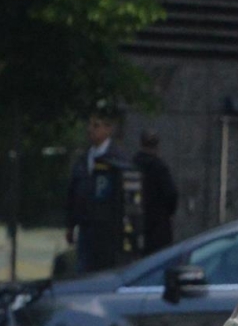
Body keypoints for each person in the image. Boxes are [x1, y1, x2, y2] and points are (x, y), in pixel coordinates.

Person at [64, 109, 135, 271]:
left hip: (106, 229)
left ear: (108, 129)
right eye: (90, 125)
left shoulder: (117, 159)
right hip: (86, 224)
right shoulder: (84, 158)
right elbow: (73, 192)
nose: (90, 130)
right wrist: (70, 224)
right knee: (83, 268)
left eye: (96, 126)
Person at [133, 129, 180, 256]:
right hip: (158, 226)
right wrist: (168, 213)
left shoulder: (132, 165)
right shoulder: (160, 167)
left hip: (135, 222)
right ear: (157, 146)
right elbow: (171, 194)